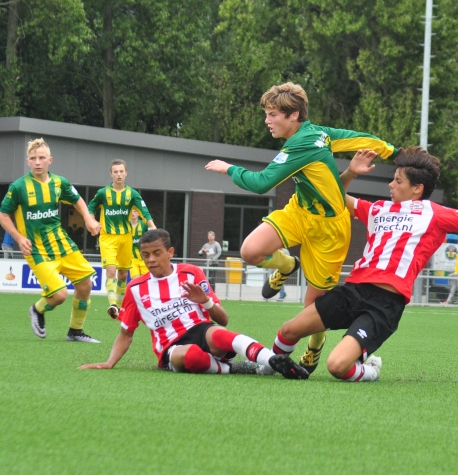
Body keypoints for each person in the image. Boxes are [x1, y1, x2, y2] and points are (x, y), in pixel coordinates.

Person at [205, 82, 398, 373]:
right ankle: (286, 265)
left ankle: (314, 349)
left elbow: (261, 184)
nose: (267, 121)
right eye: (267, 114)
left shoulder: (302, 143)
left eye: (272, 115)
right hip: (300, 211)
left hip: (330, 232)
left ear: (293, 115)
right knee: (249, 251)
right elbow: (361, 139)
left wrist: (228, 168)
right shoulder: (317, 134)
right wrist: (391, 150)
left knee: (314, 308)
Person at [267, 147, 458, 382]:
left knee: (337, 366)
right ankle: (265, 367)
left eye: (398, 181)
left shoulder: (433, 213)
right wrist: (351, 172)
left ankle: (371, 370)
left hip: (383, 305)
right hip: (353, 291)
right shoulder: (378, 209)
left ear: (417, 189)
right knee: (289, 330)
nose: (391, 185)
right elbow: (332, 197)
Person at [79, 229, 299, 378]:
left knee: (222, 334)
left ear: (170, 252)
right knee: (191, 355)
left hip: (201, 330)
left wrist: (205, 302)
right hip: (171, 347)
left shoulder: (192, 273)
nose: (151, 260)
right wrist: (109, 363)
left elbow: (223, 319)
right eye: (145, 255)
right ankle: (234, 368)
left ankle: (272, 361)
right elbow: (126, 333)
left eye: (157, 253)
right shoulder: (135, 288)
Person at [0, 138, 102, 343]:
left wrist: (89, 218)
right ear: (28, 161)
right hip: (37, 251)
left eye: (41, 158)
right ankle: (37, 310)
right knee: (59, 295)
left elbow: (77, 200)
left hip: (63, 244)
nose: (37, 162)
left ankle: (75, 332)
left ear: (50, 160)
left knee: (85, 285)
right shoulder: (19, 187)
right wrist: (19, 238)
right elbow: (3, 215)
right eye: (33, 158)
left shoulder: (59, 182)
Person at [87, 160, 156, 320]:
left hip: (126, 237)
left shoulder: (132, 194)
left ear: (126, 173)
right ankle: (112, 304)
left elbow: (144, 211)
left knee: (123, 274)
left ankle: (118, 307)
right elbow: (91, 208)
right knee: (111, 271)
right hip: (108, 237)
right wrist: (92, 221)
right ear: (111, 174)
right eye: (115, 172)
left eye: (121, 171)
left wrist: (153, 226)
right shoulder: (103, 193)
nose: (118, 174)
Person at [129, 210, 149, 278]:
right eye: (131, 211)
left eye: (135, 211)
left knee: (146, 280)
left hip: (144, 258)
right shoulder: (125, 226)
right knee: (136, 280)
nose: (132, 213)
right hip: (132, 259)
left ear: (138, 213)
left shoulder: (144, 225)